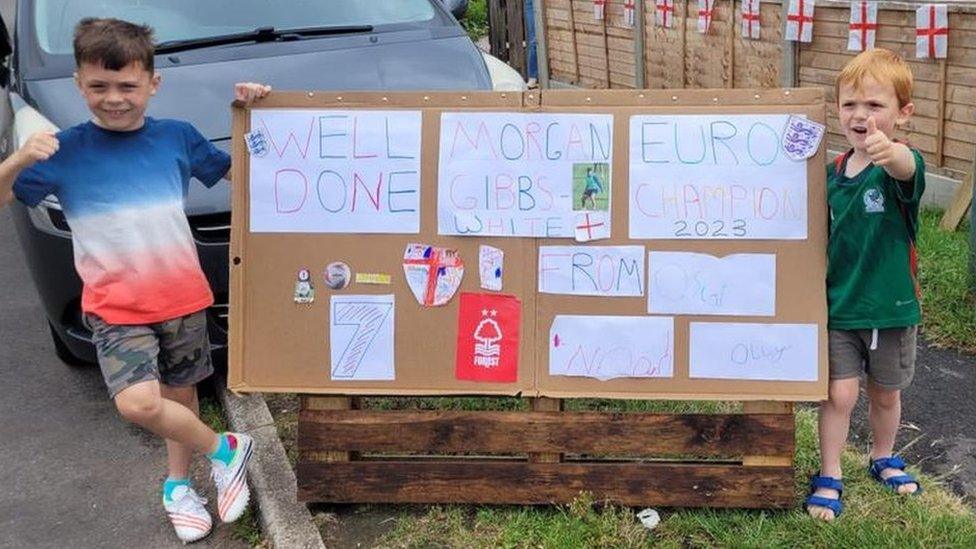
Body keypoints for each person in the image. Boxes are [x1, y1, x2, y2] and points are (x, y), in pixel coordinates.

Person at [0, 18, 271, 543]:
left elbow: (248, 174)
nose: (114, 98)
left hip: (182, 297)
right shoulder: (64, 152)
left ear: (152, 84)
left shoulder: (177, 137)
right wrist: (18, 157)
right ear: (80, 85)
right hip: (115, 306)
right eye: (98, 86)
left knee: (180, 398)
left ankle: (178, 487)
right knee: (138, 404)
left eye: (127, 85)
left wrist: (256, 115)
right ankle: (227, 450)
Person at [805, 48, 924, 521]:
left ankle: (882, 455)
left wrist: (889, 152)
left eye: (875, 106)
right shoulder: (831, 175)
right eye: (850, 104)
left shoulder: (899, 164)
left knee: (886, 393)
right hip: (839, 307)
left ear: (903, 113)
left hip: (892, 310)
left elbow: (906, 167)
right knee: (839, 395)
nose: (861, 115)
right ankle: (830, 471)